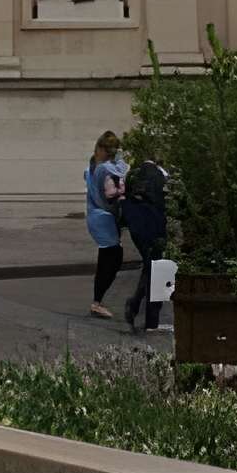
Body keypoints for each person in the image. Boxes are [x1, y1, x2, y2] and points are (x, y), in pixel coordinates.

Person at [121, 151, 170, 332]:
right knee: (159, 269)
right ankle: (148, 316)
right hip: (156, 228)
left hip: (137, 228)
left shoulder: (132, 174)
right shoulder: (162, 175)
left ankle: (136, 307)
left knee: (150, 266)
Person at [84, 132, 127, 318]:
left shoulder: (93, 166)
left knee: (107, 259)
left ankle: (97, 301)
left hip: (98, 218)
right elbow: (121, 172)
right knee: (112, 259)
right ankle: (97, 302)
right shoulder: (104, 168)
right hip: (103, 219)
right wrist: (121, 159)